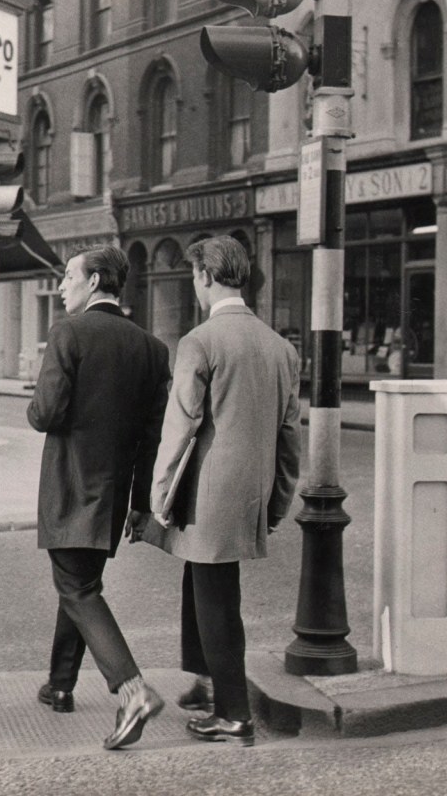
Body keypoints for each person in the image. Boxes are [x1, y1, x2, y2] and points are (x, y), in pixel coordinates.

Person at [147, 235, 301, 747]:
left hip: (207, 493)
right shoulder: (280, 347)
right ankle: (206, 680)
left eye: (194, 277)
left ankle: (233, 714)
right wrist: (277, 501)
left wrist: (159, 495)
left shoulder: (200, 342)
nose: (195, 286)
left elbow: (180, 428)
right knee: (202, 583)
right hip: (250, 492)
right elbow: (288, 439)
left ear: (206, 277)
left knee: (216, 600)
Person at [27, 244, 170, 750]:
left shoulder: (69, 332)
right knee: (80, 583)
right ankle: (60, 686)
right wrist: (141, 504)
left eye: (68, 277)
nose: (63, 285)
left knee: (78, 589)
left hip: (70, 487)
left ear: (93, 282)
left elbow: (46, 414)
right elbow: (151, 437)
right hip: (113, 496)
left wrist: (35, 404)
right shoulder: (152, 349)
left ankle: (132, 689)